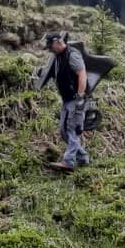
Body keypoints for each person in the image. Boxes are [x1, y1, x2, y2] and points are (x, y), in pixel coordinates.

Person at [45, 32, 90, 171]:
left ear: (58, 42)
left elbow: (82, 74)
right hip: (67, 99)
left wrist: (80, 97)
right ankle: (82, 158)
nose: (49, 49)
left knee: (71, 129)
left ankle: (68, 162)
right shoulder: (58, 56)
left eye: (51, 46)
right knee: (64, 130)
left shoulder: (72, 55)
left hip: (76, 99)